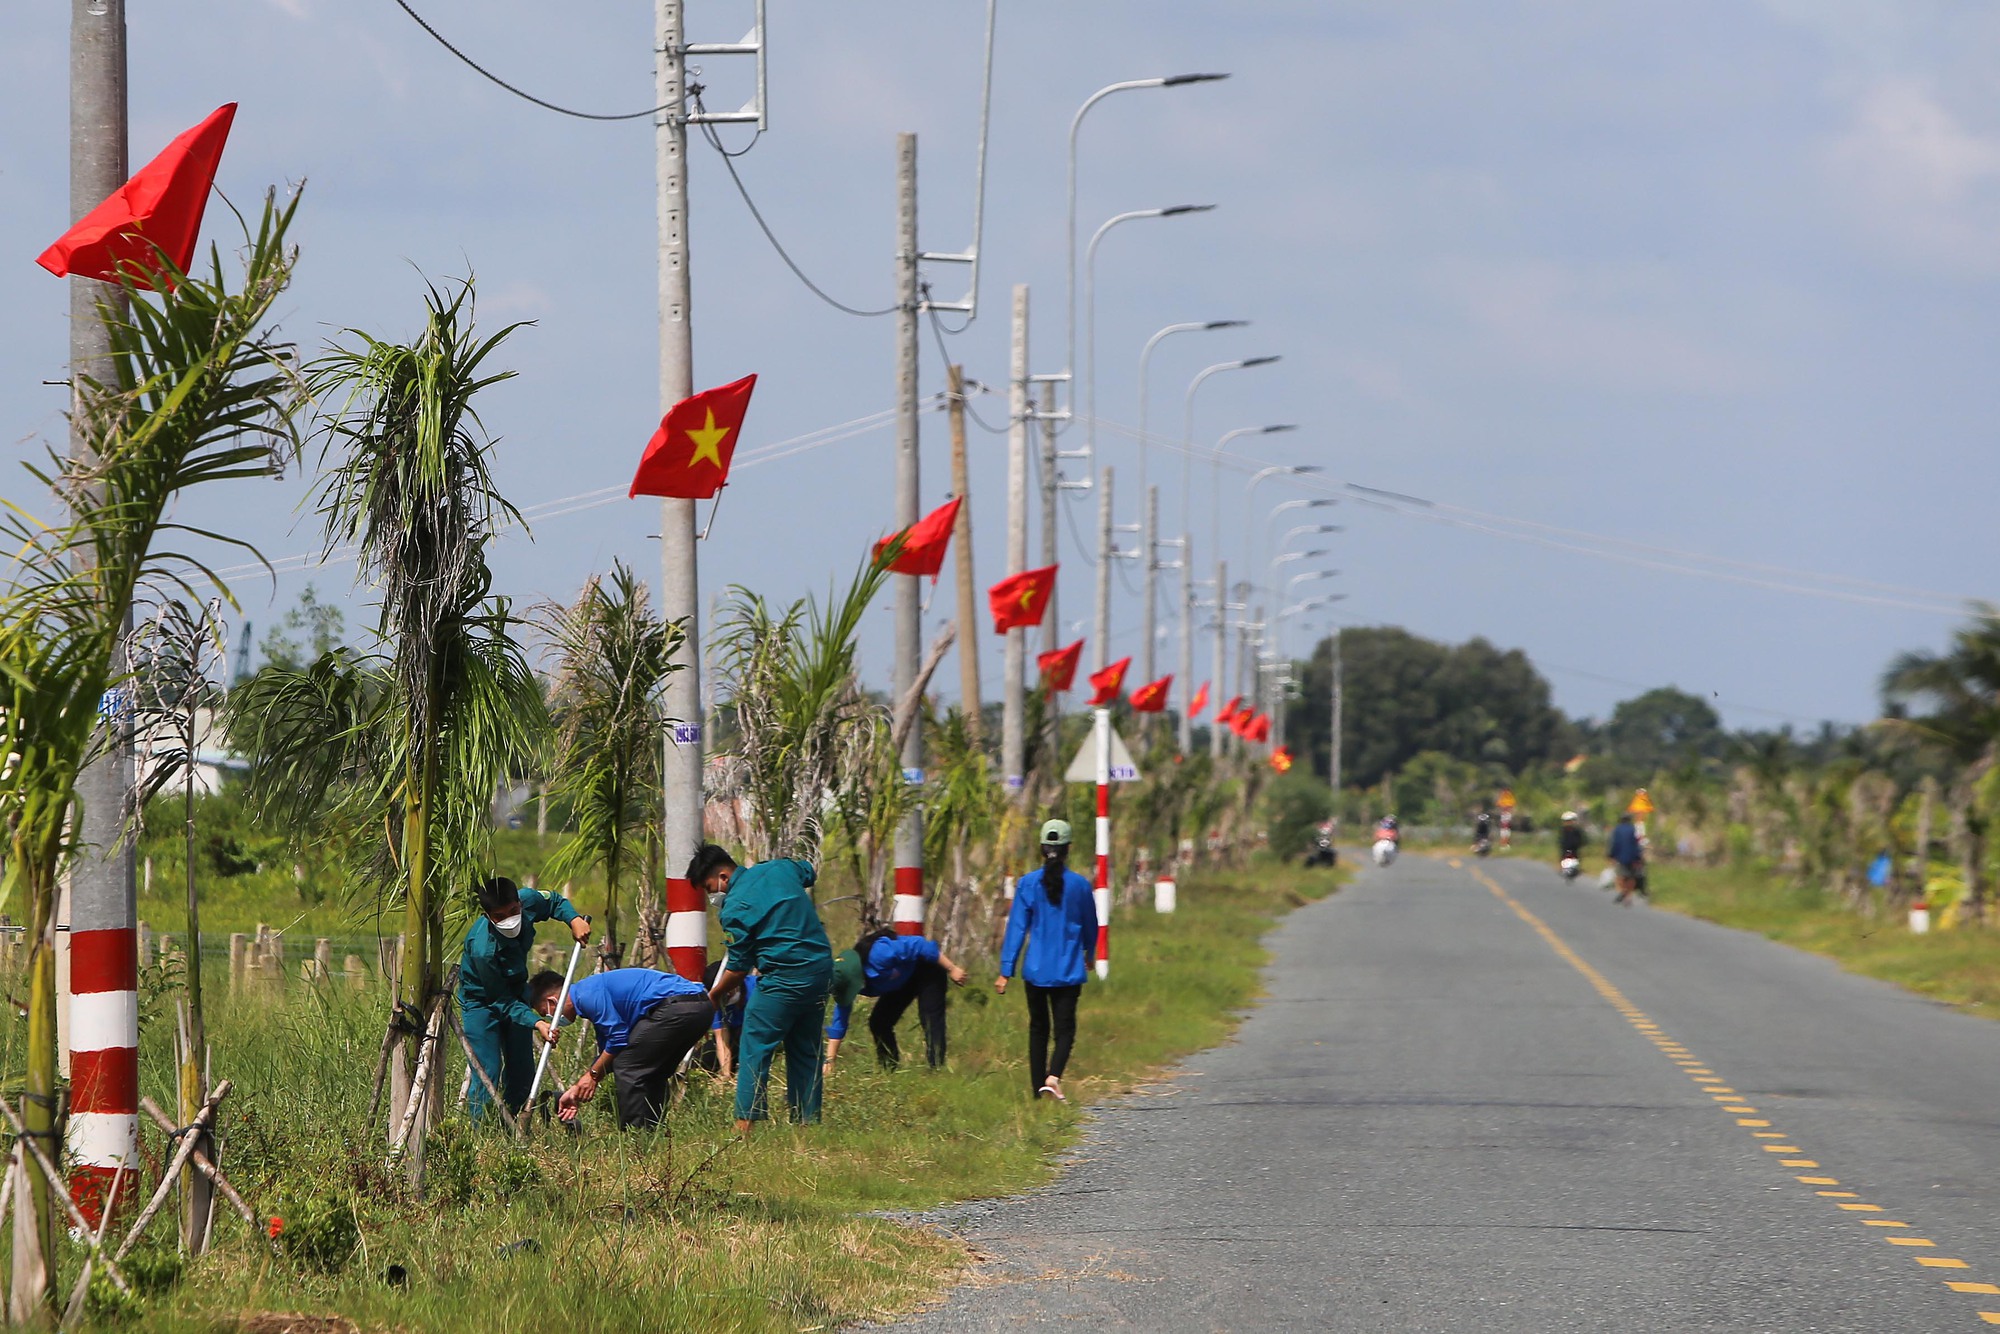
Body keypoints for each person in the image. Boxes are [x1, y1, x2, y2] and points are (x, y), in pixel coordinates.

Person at [696, 844, 833, 1135]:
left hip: (784, 977)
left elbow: (739, 968)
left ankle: (743, 1127)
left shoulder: (734, 908)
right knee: (806, 1048)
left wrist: (715, 994)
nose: (712, 897)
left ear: (723, 876)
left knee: (755, 1045)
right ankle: (806, 1128)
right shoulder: (779, 868)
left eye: (710, 888)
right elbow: (808, 871)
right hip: (820, 971)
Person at [458, 875, 589, 1121]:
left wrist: (574, 919)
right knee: (488, 1070)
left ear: (519, 902)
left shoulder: (528, 901)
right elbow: (502, 1001)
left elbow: (554, 902)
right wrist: (537, 1022)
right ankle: (481, 1132)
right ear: (487, 916)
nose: (509, 920)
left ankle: (513, 1125)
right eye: (499, 917)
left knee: (522, 1071)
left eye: (513, 911)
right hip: (483, 1001)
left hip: (516, 992)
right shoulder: (483, 949)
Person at [528, 965, 712, 1129]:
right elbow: (608, 1053)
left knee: (628, 1065)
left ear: (553, 1001)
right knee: (653, 1071)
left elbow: (618, 1041)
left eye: (546, 1013)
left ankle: (634, 1135)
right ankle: (651, 1131)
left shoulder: (586, 996)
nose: (551, 1020)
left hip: (677, 1008)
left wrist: (591, 1076)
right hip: (701, 1006)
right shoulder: (590, 991)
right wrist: (579, 1087)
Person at [995, 819, 1099, 1103]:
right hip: (1068, 971)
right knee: (1065, 1029)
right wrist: (1090, 953)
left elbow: (1016, 928)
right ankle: (1053, 1077)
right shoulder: (1079, 885)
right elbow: (1091, 924)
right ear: (1068, 849)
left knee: (1038, 1028)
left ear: (1042, 849)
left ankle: (1036, 1095)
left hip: (1036, 971)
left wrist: (1006, 971)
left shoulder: (1028, 884)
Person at [824, 930, 969, 1074]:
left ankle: (936, 1069)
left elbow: (920, 944)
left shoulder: (878, 954)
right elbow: (839, 1023)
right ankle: (889, 1070)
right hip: (900, 981)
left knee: (930, 1019)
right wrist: (830, 1061)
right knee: (879, 1023)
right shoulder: (844, 982)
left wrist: (952, 968)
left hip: (926, 968)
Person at [703, 960, 755, 1080]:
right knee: (703, 1058)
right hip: (733, 1038)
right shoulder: (716, 1003)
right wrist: (725, 1075)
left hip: (753, 1034)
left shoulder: (755, 988)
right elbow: (721, 1039)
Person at [1609, 811, 1647, 905]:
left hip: (1621, 857)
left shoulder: (1617, 830)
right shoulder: (1633, 829)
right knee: (1631, 877)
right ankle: (1628, 895)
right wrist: (1638, 856)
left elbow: (1615, 844)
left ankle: (1623, 891)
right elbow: (1636, 844)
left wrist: (1612, 855)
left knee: (1621, 876)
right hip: (1632, 856)